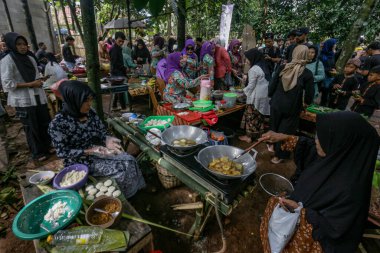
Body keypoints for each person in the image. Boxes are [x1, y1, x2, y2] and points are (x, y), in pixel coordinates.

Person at [259, 111, 379, 253]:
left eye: (323, 137)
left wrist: (302, 212)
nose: (316, 139)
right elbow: (308, 145)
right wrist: (282, 137)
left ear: (340, 143)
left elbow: (335, 231)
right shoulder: (335, 159)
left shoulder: (350, 191)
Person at [48, 81, 146, 198]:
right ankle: (121, 198)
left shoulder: (90, 113)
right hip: (79, 161)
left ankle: (136, 190)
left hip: (97, 152)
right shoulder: (58, 124)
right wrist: (89, 151)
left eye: (90, 100)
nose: (89, 104)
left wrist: (107, 139)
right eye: (85, 101)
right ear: (73, 100)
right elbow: (62, 152)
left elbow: (101, 131)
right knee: (121, 168)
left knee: (129, 159)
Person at [1, 32, 52, 162]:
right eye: (19, 44)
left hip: (38, 96)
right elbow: (7, 84)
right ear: (11, 45)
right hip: (23, 100)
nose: (23, 47)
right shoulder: (7, 61)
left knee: (44, 122)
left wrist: (41, 79)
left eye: (24, 44)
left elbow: (34, 76)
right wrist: (31, 84)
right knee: (31, 126)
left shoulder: (30, 58)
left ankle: (47, 146)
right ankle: (37, 152)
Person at [268, 45, 314, 164]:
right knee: (286, 132)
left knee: (274, 126)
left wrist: (271, 96)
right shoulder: (307, 73)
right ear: (305, 55)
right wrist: (306, 104)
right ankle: (278, 156)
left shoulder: (283, 67)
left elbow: (272, 85)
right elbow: (309, 94)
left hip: (276, 104)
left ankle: (271, 146)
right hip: (292, 108)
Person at [239, 49, 271, 143]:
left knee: (250, 116)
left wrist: (242, 92)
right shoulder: (264, 66)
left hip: (255, 97)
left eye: (247, 59)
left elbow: (251, 85)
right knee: (259, 117)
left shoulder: (253, 69)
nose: (246, 61)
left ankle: (249, 137)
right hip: (264, 96)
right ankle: (258, 135)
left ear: (253, 58)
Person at [109, 32, 128, 111]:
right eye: (119, 41)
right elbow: (115, 63)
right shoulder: (114, 49)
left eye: (122, 41)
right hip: (116, 72)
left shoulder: (118, 48)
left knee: (117, 90)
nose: (121, 43)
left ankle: (114, 106)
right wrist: (124, 68)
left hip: (117, 71)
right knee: (120, 90)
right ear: (115, 39)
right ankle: (123, 107)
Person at [319, 38, 338, 106]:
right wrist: (329, 70)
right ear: (330, 45)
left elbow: (333, 64)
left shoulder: (332, 54)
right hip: (321, 77)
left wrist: (334, 69)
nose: (335, 45)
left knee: (326, 95)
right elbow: (320, 67)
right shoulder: (321, 55)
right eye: (334, 44)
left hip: (329, 78)